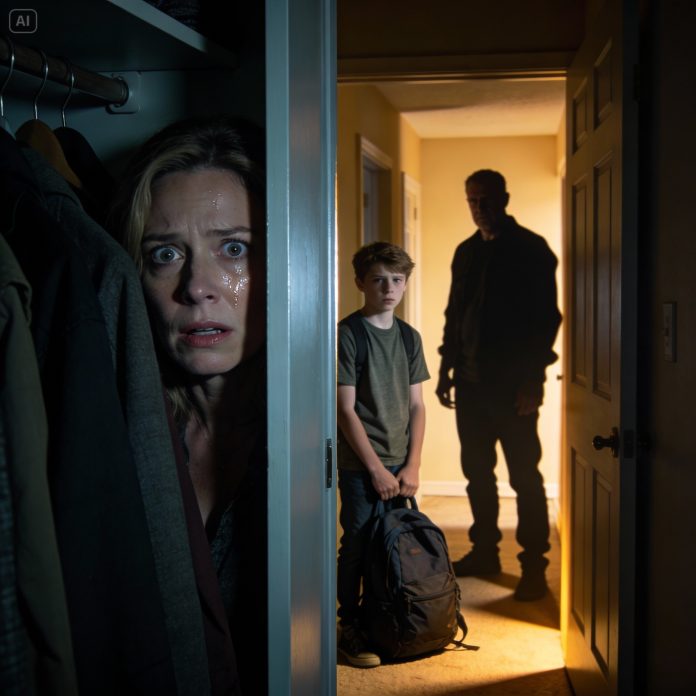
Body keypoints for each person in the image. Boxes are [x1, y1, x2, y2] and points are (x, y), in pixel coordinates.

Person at [110, 116, 267, 694]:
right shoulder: (115, 431)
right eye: (166, 254)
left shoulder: (315, 448)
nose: (197, 286)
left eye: (234, 249)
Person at [436, 169, 561, 602]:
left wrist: (533, 381)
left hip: (514, 391)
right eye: (472, 201)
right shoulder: (466, 252)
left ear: (505, 199)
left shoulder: (531, 250)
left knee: (525, 477)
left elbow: (546, 320)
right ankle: (485, 552)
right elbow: (454, 314)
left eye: (486, 200)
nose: (479, 208)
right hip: (470, 386)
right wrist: (446, 370)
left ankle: (534, 567)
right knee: (477, 475)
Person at [336, 242, 430, 667]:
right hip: (363, 465)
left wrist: (413, 464)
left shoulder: (409, 337)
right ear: (360, 283)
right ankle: (349, 625)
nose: (388, 288)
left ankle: (388, 617)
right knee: (358, 543)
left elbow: (417, 406)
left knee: (396, 542)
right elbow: (345, 409)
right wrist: (375, 468)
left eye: (396, 280)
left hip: (400, 463)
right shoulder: (348, 334)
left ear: (405, 284)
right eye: (378, 280)